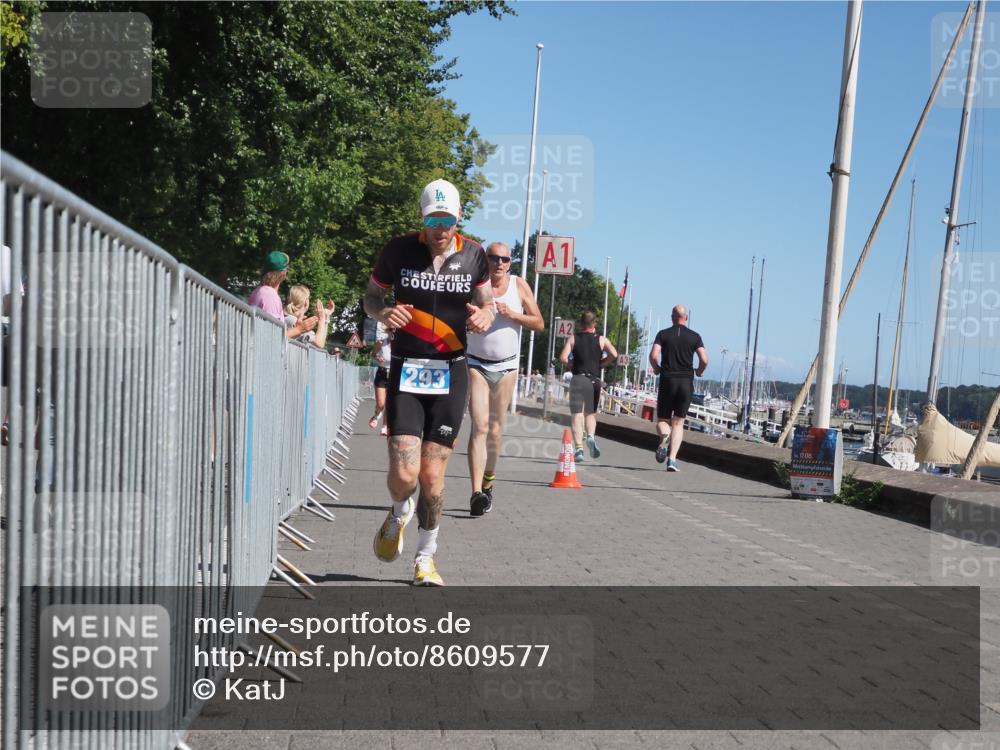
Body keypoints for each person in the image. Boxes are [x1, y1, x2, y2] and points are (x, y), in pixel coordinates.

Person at [363, 178, 493, 586]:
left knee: (433, 475)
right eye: (434, 220)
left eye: (448, 220)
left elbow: (487, 304)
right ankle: (400, 511)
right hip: (407, 368)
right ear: (423, 218)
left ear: (458, 219)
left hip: (451, 370)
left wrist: (485, 317)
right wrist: (382, 314)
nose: (441, 229)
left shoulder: (475, 256)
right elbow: (370, 298)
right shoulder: (398, 251)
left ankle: (425, 558)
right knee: (405, 475)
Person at [465, 241, 544, 516]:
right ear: (485, 259)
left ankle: (488, 483)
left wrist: (514, 315)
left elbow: (539, 322)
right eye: (494, 258)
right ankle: (476, 493)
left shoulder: (519, 286)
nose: (499, 263)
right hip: (475, 363)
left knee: (496, 431)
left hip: (507, 367)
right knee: (480, 426)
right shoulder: (473, 283)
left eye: (505, 259)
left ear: (510, 263)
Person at [648, 304, 708, 472]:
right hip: (685, 382)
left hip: (668, 380)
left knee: (662, 420)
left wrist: (657, 368)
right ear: (686, 318)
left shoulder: (663, 334)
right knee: (679, 422)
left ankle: (665, 437)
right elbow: (704, 359)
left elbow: (653, 356)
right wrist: (699, 371)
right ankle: (672, 460)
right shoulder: (695, 336)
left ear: (672, 317)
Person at [559, 311, 617, 463]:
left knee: (577, 415)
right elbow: (614, 354)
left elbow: (563, 357)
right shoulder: (601, 340)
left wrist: (573, 364)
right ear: (594, 324)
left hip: (578, 379)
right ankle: (590, 436)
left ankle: (579, 449)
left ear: (581, 323)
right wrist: (602, 363)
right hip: (594, 381)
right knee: (590, 414)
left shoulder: (574, 338)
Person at [247, 250, 318, 339]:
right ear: (283, 273)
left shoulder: (259, 291)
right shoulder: (270, 296)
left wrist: (296, 328)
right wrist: (300, 329)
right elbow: (272, 338)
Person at [283, 284, 335, 349]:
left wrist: (326, 318)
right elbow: (319, 343)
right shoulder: (293, 321)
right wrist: (322, 319)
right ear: (306, 302)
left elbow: (321, 342)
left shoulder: (287, 317)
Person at [369, 330, 392, 437]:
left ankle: (384, 427)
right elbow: (372, 355)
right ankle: (376, 415)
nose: (394, 333)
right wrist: (377, 357)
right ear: (389, 332)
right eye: (392, 330)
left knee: (389, 404)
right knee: (381, 404)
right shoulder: (381, 343)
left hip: (395, 375)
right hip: (382, 374)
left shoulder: (402, 346)